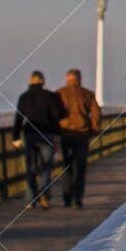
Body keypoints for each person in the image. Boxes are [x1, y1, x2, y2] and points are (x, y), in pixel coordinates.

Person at [13, 70, 65, 209]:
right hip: (47, 134)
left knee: (30, 167)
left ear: (30, 81)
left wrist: (16, 137)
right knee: (46, 166)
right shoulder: (50, 96)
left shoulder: (24, 97)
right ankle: (44, 195)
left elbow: (19, 118)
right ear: (43, 81)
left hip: (29, 134)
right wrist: (57, 135)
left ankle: (30, 199)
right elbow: (56, 117)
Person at [55, 68, 102, 209]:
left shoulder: (59, 94)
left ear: (67, 78)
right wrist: (93, 129)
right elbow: (96, 114)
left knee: (66, 166)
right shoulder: (87, 94)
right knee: (80, 167)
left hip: (64, 133)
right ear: (79, 79)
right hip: (82, 134)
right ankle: (78, 199)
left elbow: (54, 114)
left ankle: (66, 198)